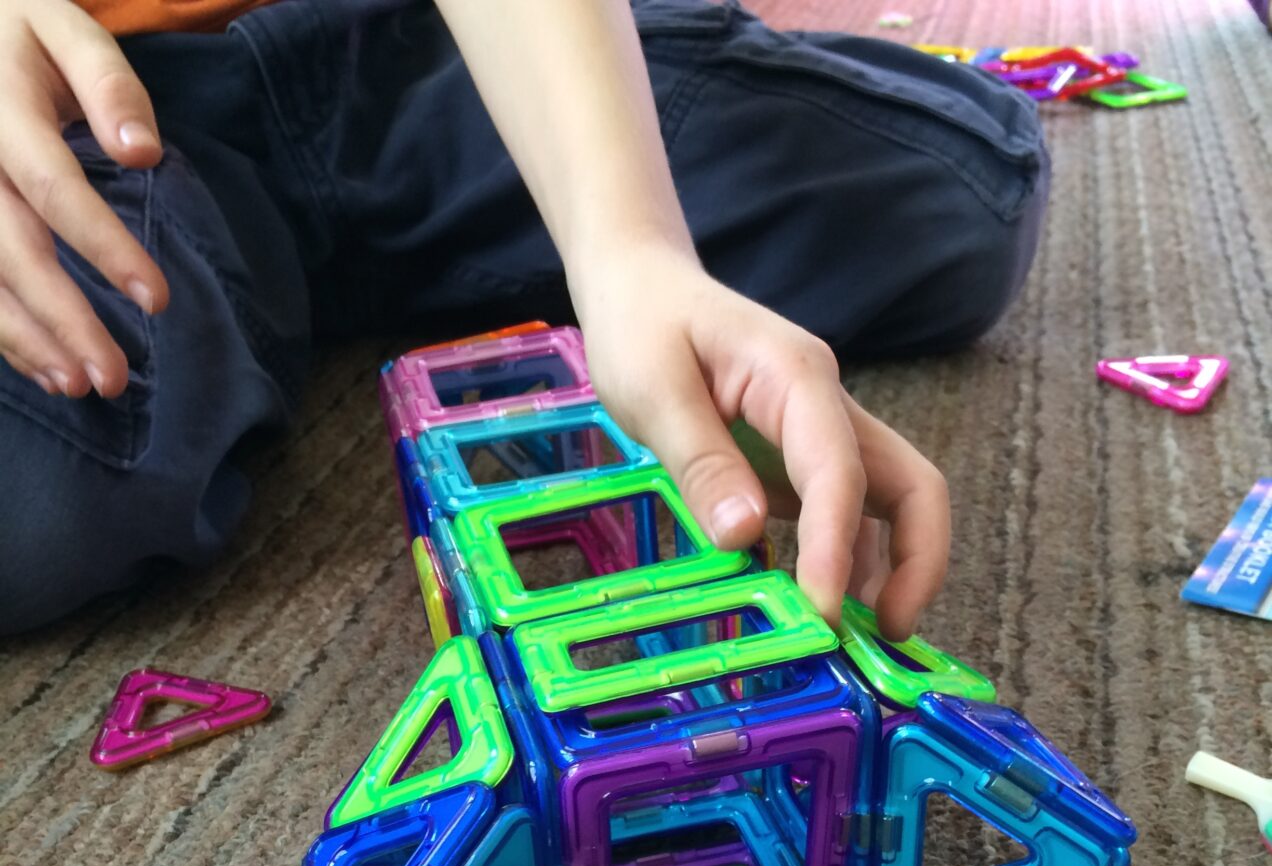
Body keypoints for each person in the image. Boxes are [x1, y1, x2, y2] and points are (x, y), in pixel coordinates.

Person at [0, 0, 1049, 638]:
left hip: (399, 42)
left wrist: (632, 250)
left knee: (964, 198)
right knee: (54, 477)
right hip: (95, 102)